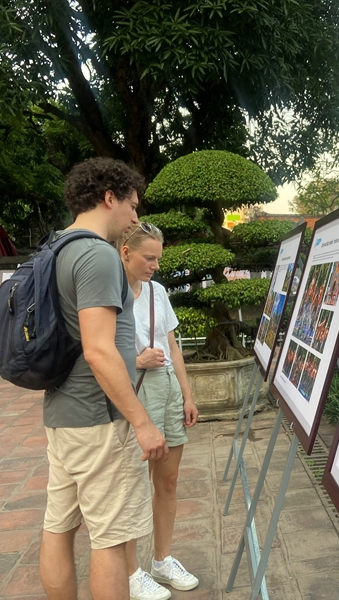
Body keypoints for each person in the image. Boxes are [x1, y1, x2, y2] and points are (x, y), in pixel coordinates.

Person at [39, 158, 169, 599]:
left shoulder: (56, 247)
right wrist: (142, 422)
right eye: (132, 205)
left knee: (58, 527)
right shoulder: (97, 254)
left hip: (62, 413)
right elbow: (99, 349)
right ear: (109, 198)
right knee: (111, 538)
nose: (135, 217)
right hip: (99, 419)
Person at [118, 223, 200, 597]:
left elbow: (172, 345)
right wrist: (137, 361)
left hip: (166, 386)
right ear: (126, 253)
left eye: (158, 259)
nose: (154, 265)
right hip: (135, 389)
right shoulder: (111, 293)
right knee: (133, 484)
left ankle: (162, 559)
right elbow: (97, 353)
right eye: (148, 258)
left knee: (168, 480)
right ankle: (131, 572)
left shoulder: (158, 292)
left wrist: (187, 395)